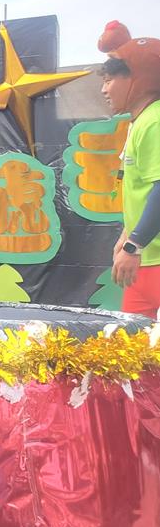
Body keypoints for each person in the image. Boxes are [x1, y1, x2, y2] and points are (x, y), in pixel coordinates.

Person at [98, 20, 160, 317]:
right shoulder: (140, 121)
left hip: (149, 258)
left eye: (109, 80)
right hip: (144, 262)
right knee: (132, 343)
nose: (104, 89)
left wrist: (134, 244)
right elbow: (143, 189)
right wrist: (127, 234)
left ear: (137, 78)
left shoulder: (155, 121)